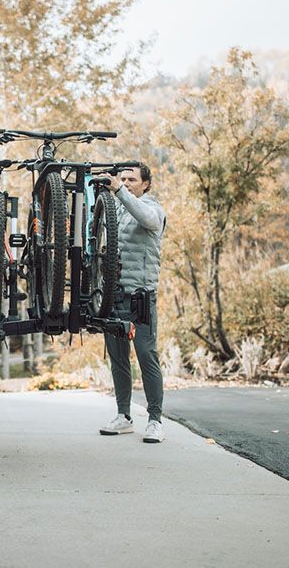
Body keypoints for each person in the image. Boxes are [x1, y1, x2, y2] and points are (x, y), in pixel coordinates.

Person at [99, 162, 167, 443]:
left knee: (146, 357)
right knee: (118, 360)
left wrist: (119, 192)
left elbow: (148, 219)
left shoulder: (153, 208)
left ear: (146, 184)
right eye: (122, 178)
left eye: (132, 179)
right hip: (113, 296)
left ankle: (155, 421)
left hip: (141, 297)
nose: (125, 182)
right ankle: (123, 416)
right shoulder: (114, 209)